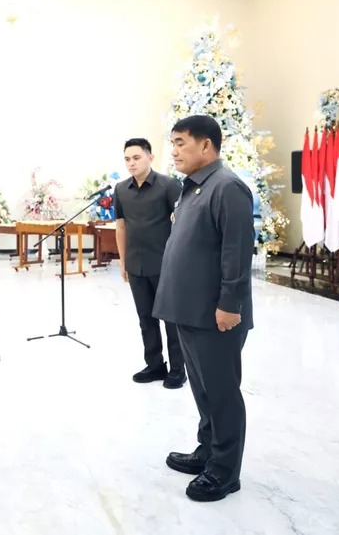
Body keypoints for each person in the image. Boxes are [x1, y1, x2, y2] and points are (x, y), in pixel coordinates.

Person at [153, 115, 254, 502]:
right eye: (173, 143)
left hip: (216, 315)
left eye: (180, 142)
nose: (174, 151)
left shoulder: (227, 187)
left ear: (206, 145)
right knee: (202, 389)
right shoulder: (194, 187)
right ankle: (208, 451)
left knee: (222, 392)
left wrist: (230, 304)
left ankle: (225, 471)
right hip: (189, 310)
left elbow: (236, 251)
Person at [114, 138, 185, 389]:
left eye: (136, 158)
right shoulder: (121, 189)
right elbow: (121, 226)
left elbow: (182, 224)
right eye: (127, 159)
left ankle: (178, 369)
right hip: (136, 265)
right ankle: (155, 365)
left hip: (166, 265)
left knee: (171, 320)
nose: (131, 163)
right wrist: (123, 261)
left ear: (150, 157)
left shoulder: (169, 185)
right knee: (145, 319)